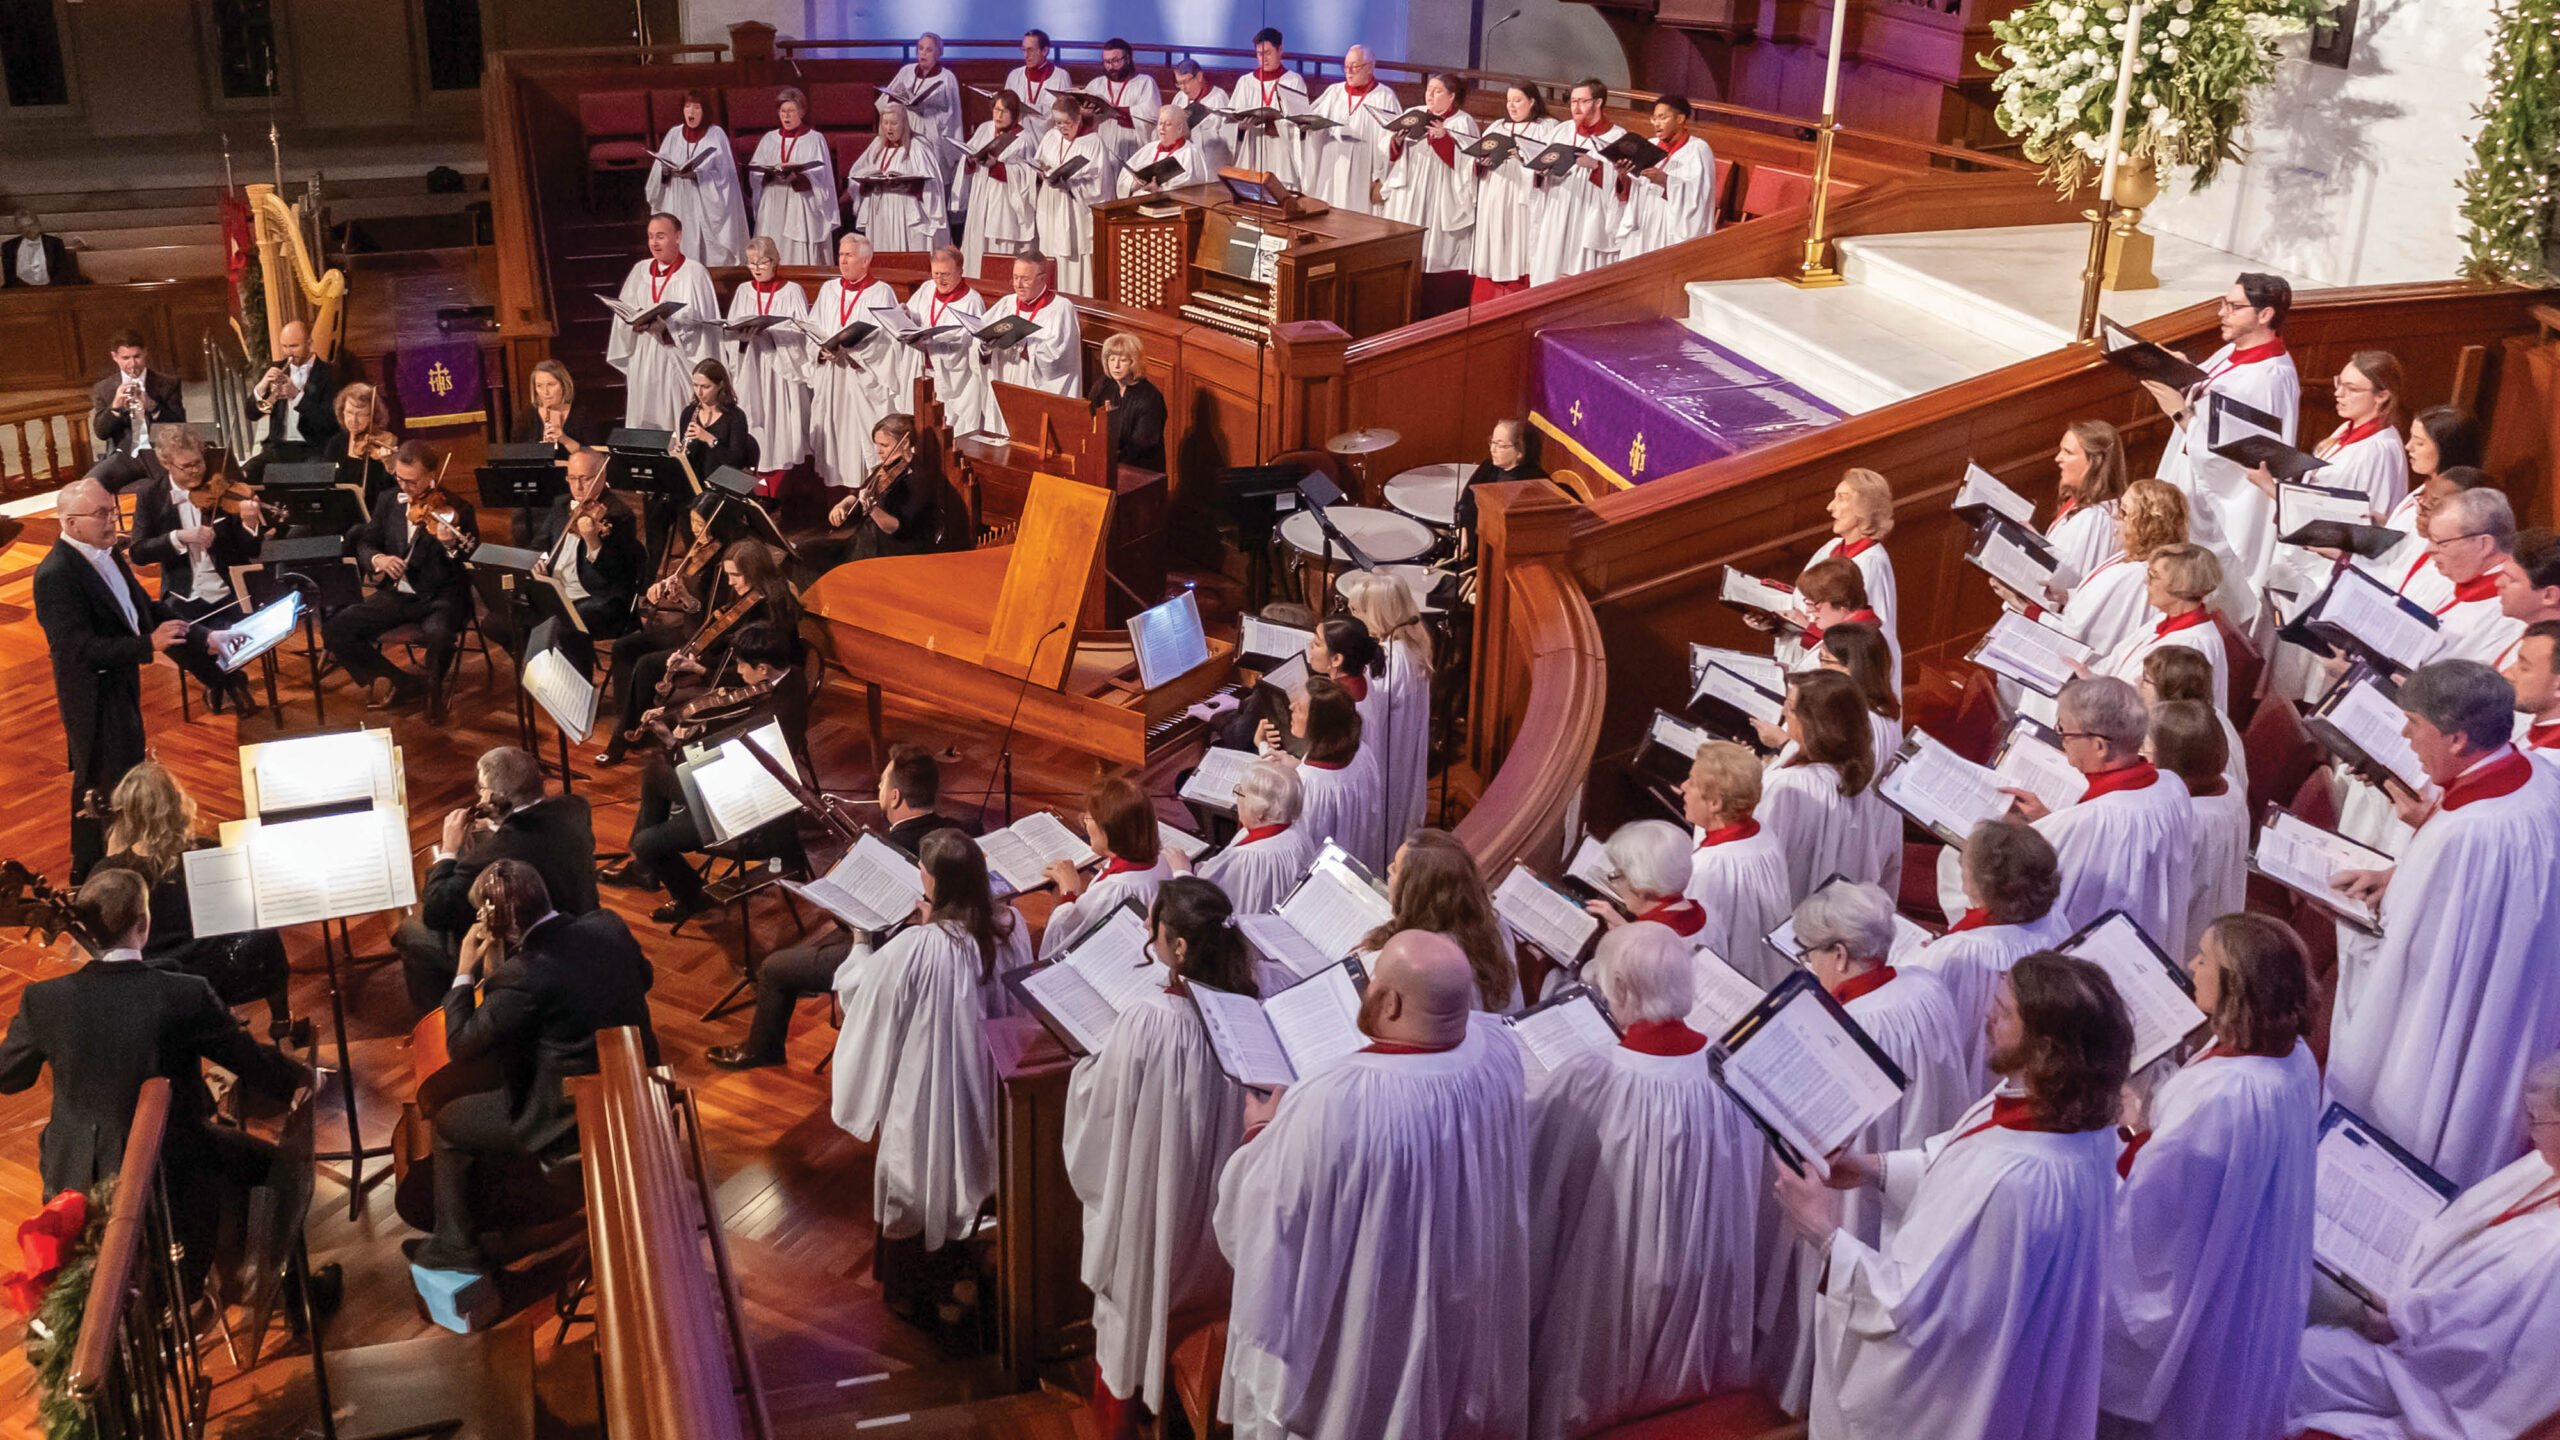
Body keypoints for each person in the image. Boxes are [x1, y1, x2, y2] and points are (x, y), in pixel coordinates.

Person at [1775, 951, 2130, 1440]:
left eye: (2004, 1013)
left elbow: (1907, 1310)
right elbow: (1955, 1170)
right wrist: (1869, 1170)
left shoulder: (2014, 1174)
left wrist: (1822, 1230)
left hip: (1966, 1386)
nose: (1986, 1016)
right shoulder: (2069, 1116)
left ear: (2045, 1049)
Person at [1213, 929, 1529, 1439]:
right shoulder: (1499, 1055)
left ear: (1392, 1002)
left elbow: (1258, 1223)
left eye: (1372, 982)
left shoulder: (1335, 1100)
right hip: (1455, 1304)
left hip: (1359, 1335)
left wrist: (1260, 1131)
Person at [0, 870, 307, 1281]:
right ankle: (285, 1291)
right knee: (281, 1167)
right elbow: (250, 1064)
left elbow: (8, 1077)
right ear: (143, 925)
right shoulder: (184, 993)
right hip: (167, 1168)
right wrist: (302, 1078)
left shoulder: (43, 1001)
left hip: (74, 1180)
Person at [2327, 660, 2560, 1185]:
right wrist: (2396, 878)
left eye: (2413, 724)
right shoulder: (2540, 776)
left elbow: (2411, 962)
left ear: (2457, 739)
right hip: (2522, 994)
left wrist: (2355, 922)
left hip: (2456, 1013)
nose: (2405, 738)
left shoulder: (2465, 834)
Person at [1525, 921, 1761, 1437]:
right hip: (1705, 1269)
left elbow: (1536, 1172)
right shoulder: (1733, 1071)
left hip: (1611, 1274)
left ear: (1625, 989)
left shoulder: (1592, 1076)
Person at [2103, 913, 2318, 1440]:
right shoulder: (2296, 1057)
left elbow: (2151, 1221)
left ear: (2237, 985)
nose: (2191, 966)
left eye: (2204, 959)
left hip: (2205, 1287)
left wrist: (2122, 1136)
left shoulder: (2223, 1095)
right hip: (2250, 1265)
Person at [1768, 878, 1975, 1410]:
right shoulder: (1924, 987)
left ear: (1840, 953)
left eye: (1810, 953)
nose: (1807, 964)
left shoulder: (1847, 1025)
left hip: (1862, 1179)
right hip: (1919, 1161)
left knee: (1847, 1292)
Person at [1063, 878, 1253, 1439]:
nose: (1150, 934)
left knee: (1137, 1291)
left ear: (1178, 949)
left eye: (1157, 930)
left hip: (1156, 1200)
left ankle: (1128, 1414)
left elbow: (1101, 1110)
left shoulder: (1150, 1020)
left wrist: (1087, 1068)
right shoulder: (1244, 1009)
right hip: (1215, 1216)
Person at [2288, 1050, 2560, 1440]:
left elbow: (2487, 1348)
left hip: (2440, 1388)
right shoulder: (2544, 1168)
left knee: (2298, 1360)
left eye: (2537, 1119)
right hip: (2420, 1345)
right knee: (2304, 1351)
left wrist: (2402, 1316)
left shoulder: (2553, 1249)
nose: (2529, 1132)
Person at [409, 860, 656, 1276]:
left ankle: (456, 1247)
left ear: (499, 926)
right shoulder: (608, 924)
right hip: (636, 1085)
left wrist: (464, 972)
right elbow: (643, 977)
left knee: (449, 1122)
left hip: (574, 1117)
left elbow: (461, 1045)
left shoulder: (524, 976)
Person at [829, 830, 1028, 1312]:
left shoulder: (916, 948)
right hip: (991, 1081)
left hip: (929, 1086)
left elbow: (858, 995)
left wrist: (860, 941)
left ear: (936, 885)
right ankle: (975, 1268)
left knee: (921, 1165)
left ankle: (923, 1293)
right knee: (978, 1169)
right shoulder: (1009, 925)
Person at [706, 744, 980, 1069]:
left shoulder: (891, 847)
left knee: (774, 968)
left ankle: (762, 1050)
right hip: (939, 953)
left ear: (894, 797)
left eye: (881, 784)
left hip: (885, 959)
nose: (877, 789)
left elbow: (848, 920)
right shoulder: (957, 832)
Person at [36, 478, 238, 879]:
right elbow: (79, 650)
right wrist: (148, 645)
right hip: (93, 696)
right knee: (99, 786)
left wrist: (204, 636)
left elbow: (143, 608)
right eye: (101, 515)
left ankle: (124, 863)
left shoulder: (106, 553)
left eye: (113, 511)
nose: (113, 521)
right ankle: (91, 875)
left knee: (121, 777)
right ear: (71, 523)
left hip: (120, 683)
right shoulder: (55, 574)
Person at [616, 622, 810, 925]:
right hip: (741, 777)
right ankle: (649, 868)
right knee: (655, 771)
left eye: (742, 666)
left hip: (742, 802)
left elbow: (713, 759)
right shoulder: (792, 676)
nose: (737, 673)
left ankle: (690, 895)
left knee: (646, 841)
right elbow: (732, 697)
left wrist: (674, 740)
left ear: (762, 669)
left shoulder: (765, 720)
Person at [397, 744, 600, 1014]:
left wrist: (448, 849)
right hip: (583, 933)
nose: (477, 794)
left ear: (494, 797)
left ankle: (443, 1021)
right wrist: (499, 825)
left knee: (411, 932)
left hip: (535, 958)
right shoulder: (576, 808)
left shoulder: (495, 853)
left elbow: (436, 911)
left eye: (480, 789)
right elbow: (535, 840)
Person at [96, 761, 290, 1036]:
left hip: (152, 973)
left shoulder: (109, 872)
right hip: (211, 970)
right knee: (264, 930)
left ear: (125, 813)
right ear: (177, 805)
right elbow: (238, 915)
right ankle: (281, 1019)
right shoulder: (207, 853)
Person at [2005, 676, 2197, 949]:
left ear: (2099, 746)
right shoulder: (2172, 785)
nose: (2062, 741)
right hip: (2158, 936)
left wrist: (2032, 830)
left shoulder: (2093, 821)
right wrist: (2051, 821)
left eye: (2064, 731)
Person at [2148, 272, 2298, 588]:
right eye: (2222, 303)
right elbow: (2213, 401)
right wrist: (2182, 373)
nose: (2221, 313)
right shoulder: (2235, 350)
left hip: (2218, 504)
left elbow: (2237, 456)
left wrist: (2179, 411)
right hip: (2189, 476)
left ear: (2265, 314)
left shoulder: (2268, 377)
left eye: (2233, 306)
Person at [597, 536, 793, 767]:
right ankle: (630, 723)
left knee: (647, 665)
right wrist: (686, 600)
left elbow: (751, 667)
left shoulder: (768, 612)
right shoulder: (742, 590)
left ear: (754, 571)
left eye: (735, 575)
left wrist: (699, 668)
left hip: (723, 666)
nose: (730, 582)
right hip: (706, 646)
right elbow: (706, 627)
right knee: (625, 647)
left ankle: (626, 737)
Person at [1905, 818, 2070, 1091]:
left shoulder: (1957, 952)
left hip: (1968, 1080)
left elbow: (1917, 1023)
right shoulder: (2055, 923)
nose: (1960, 870)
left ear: (1984, 886)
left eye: (1965, 867)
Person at [325, 439, 479, 718]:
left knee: (440, 635)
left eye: (413, 481)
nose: (405, 488)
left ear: (431, 476)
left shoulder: (459, 509)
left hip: (441, 597)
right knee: (337, 628)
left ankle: (434, 690)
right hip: (397, 594)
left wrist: (449, 546)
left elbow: (468, 562)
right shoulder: (388, 500)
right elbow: (366, 542)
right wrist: (378, 559)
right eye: (400, 478)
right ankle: (403, 681)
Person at [125, 426, 269, 714]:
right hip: (182, 593)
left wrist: (251, 524)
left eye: (199, 462)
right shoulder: (151, 495)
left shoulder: (223, 487)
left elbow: (250, 550)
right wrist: (179, 537)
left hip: (230, 589)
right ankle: (229, 682)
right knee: (172, 637)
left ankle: (220, 683)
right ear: (167, 463)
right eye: (186, 466)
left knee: (248, 631)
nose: (195, 472)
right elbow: (138, 552)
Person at [1756, 669, 1897, 904]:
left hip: (1791, 908)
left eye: (1790, 707)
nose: (1783, 712)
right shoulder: (1848, 769)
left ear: (1814, 722)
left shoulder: (1791, 785)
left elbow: (1758, 861)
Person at [2036, 478, 2191, 672]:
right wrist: (2067, 596)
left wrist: (2030, 612)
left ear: (2146, 524)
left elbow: (2079, 635)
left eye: (2125, 512)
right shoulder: (2133, 558)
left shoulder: (2139, 576)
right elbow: (2103, 606)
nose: (2116, 518)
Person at [1363, 828, 1519, 1012]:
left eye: (1395, 869)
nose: (1389, 873)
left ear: (1414, 892)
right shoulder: (1494, 925)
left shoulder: (1422, 959)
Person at [802, 234, 912, 494]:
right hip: (832, 379)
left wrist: (853, 354)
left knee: (859, 440)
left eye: (849, 255)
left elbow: (887, 341)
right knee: (835, 440)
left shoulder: (881, 291)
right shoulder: (829, 290)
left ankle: (864, 498)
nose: (842, 260)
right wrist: (821, 351)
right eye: (840, 254)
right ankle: (836, 498)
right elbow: (812, 328)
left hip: (861, 380)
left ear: (865, 260)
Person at [1679, 739, 1794, 984]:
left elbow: (1697, 951)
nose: (1682, 787)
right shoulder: (1765, 835)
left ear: (1715, 803)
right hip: (1773, 976)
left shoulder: (1707, 869)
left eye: (1691, 782)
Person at [1340, 568, 1435, 846]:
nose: (1353, 618)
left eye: (1357, 611)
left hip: (1384, 758)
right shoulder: (1413, 647)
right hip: (1402, 754)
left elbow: (1368, 716)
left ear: (1377, 613)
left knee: (1381, 829)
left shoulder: (1387, 662)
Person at [1770, 466, 1900, 666]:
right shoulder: (1831, 548)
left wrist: (1809, 629)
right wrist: (1773, 621)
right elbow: (1802, 600)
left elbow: (1867, 636)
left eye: (1842, 498)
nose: (1830, 507)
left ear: (1865, 507)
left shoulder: (1871, 563)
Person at [1256, 674, 1386, 872]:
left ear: (1316, 724)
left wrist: (1262, 745)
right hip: (1360, 855)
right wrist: (1297, 765)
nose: (1290, 708)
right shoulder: (1361, 751)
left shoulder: (1309, 785)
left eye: (1299, 708)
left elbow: (1301, 843)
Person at [1374, 73, 1480, 316]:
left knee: (1437, 250)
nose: (1430, 95)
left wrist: (1444, 139)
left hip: (1440, 192)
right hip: (1410, 189)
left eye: (1438, 91)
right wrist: (1396, 139)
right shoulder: (1414, 112)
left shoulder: (1463, 123)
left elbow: (1468, 164)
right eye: (1429, 90)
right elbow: (1385, 147)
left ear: (1452, 96)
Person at [606, 214, 719, 433]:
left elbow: (704, 326)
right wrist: (633, 324)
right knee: (644, 422)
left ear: (677, 237)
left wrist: (668, 330)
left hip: (676, 360)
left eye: (660, 236)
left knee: (676, 421)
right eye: (650, 237)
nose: (654, 243)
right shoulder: (640, 270)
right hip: (644, 356)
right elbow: (624, 315)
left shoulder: (695, 273)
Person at [1039, 775, 1173, 959]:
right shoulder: (1159, 858)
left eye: (1089, 818)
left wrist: (1068, 892)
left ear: (1109, 829)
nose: (1085, 823)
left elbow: (1069, 940)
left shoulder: (1117, 888)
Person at [2152, 699, 2246, 961]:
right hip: (2221, 914)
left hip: (2186, 943)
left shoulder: (2184, 820)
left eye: (2149, 747)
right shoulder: (2229, 786)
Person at [2091, 542, 2228, 712]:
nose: (2145, 581)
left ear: (2180, 585)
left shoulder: (2193, 645)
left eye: (2153, 575)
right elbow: (2116, 663)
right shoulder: (2163, 619)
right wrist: (2085, 678)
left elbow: (2164, 714)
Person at [528, 446, 644, 645]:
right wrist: (538, 562)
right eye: (572, 478)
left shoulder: (619, 515)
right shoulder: (561, 505)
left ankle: (574, 672)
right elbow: (538, 545)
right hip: (555, 590)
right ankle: (538, 671)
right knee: (502, 621)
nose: (578, 487)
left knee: (564, 625)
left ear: (602, 476)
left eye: (585, 478)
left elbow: (615, 574)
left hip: (598, 597)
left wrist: (593, 541)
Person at [723, 236, 813, 479]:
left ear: (775, 262)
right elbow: (730, 333)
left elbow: (802, 334)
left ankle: (784, 485)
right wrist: (742, 337)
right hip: (751, 365)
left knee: (781, 425)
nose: (756, 269)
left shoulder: (792, 291)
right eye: (751, 263)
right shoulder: (743, 291)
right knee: (754, 420)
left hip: (781, 370)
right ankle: (756, 479)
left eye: (762, 262)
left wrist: (773, 336)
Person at [1179, 758, 1316, 916]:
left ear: (1259, 810)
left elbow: (1205, 897)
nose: (1237, 800)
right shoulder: (1298, 832)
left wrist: (1182, 872)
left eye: (1240, 794)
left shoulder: (1246, 857)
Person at [1527, 78, 1627, 286]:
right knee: (1550, 269)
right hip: (1557, 209)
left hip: (1591, 213)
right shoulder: (1561, 131)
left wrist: (1596, 167)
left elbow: (1625, 184)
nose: (1576, 107)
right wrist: (1538, 171)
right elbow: (1541, 167)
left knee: (1581, 275)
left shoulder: (1617, 136)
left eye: (1582, 101)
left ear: (1598, 103)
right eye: (1572, 101)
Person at [1469, 82, 1559, 302]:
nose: (1511, 106)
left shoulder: (1547, 127)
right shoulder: (1497, 127)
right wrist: (1480, 162)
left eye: (1518, 100)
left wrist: (1524, 158)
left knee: (1519, 238)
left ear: (1532, 101)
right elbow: (1473, 161)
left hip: (1523, 194)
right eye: (1508, 101)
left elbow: (1549, 163)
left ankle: (1517, 288)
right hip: (1495, 191)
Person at [643, 88, 748, 267]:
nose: (691, 112)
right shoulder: (674, 134)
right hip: (678, 199)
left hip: (706, 203)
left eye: (697, 107)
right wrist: (665, 172)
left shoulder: (716, 134)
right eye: (687, 106)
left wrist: (699, 175)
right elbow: (657, 171)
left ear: (705, 111)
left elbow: (726, 176)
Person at [823, 413, 942, 564]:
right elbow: (860, 492)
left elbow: (896, 527)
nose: (879, 451)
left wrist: (872, 510)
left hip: (898, 548)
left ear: (904, 444)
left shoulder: (919, 478)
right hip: (873, 538)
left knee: (828, 559)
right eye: (877, 445)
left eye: (884, 445)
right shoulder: (885, 468)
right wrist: (842, 506)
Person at [906, 245, 997, 438]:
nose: (940, 279)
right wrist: (906, 315)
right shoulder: (927, 288)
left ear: (960, 272)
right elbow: (915, 314)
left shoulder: (971, 301)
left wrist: (933, 342)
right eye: (936, 273)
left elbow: (974, 346)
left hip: (958, 383)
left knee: (952, 438)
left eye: (946, 274)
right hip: (925, 373)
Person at [1615, 93, 1717, 260]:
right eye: (1654, 118)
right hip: (1643, 220)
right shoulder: (1650, 145)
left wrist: (1667, 182)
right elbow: (1634, 188)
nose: (1656, 124)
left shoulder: (1698, 149)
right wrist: (1623, 175)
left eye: (1662, 118)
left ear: (1680, 119)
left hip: (1671, 226)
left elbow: (1699, 196)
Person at [1031, 94, 1114, 296]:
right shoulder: (1051, 136)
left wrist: (1070, 185)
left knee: (1074, 261)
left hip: (1075, 211)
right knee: (1050, 252)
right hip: (1051, 207)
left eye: (1067, 123)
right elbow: (1038, 162)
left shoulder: (1093, 143)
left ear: (1078, 119)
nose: (1062, 128)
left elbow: (1100, 185)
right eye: (1058, 123)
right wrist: (1042, 173)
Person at [745, 87, 837, 267]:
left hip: (800, 202)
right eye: (782, 111)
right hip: (773, 201)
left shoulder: (815, 139)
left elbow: (822, 177)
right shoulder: (768, 139)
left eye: (791, 111)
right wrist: (767, 175)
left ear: (802, 111)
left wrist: (800, 177)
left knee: (795, 253)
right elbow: (755, 173)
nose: (786, 116)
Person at [1302, 47, 1399, 215]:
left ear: (1370, 67)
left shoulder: (1384, 96)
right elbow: (1313, 124)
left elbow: (1392, 139)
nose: (1349, 71)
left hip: (1363, 170)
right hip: (1331, 165)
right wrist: (1308, 128)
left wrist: (1382, 179)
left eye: (1355, 66)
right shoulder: (1334, 92)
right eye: (1346, 66)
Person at [1781, 557, 1901, 692]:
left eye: (1813, 604)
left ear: (1842, 606)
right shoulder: (1852, 630)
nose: (1809, 610)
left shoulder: (1860, 644)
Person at [1585, 819, 1708, 944]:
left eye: (1618, 875)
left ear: (1642, 887)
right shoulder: (1700, 914)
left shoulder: (1650, 939)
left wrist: (1629, 939)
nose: (1616, 884)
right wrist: (1626, 929)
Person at [88, 330, 185, 489]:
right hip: (125, 455)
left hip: (160, 454)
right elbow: (101, 433)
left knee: (175, 485)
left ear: (145, 353)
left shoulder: (168, 383)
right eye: (126, 358)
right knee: (89, 485)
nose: (133, 364)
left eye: (137, 356)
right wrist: (115, 406)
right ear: (115, 357)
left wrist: (152, 406)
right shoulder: (104, 388)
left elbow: (180, 425)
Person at [847, 103, 949, 252]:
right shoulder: (877, 146)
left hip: (906, 211)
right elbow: (856, 173)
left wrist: (910, 185)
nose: (889, 128)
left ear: (904, 123)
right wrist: (867, 182)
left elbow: (932, 184)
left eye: (894, 123)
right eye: (885, 123)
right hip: (880, 211)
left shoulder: (917, 147)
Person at [957, 91, 1038, 280]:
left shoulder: (1024, 138)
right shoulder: (985, 129)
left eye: (1003, 111)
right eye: (995, 109)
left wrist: (997, 166)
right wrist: (970, 160)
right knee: (977, 247)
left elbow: (1026, 174)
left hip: (1004, 203)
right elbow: (968, 159)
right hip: (981, 197)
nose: (998, 116)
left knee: (999, 250)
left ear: (1015, 114)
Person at [979, 253, 1083, 398]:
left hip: (1033, 387)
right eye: (1015, 277)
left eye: (1025, 279)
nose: (1018, 285)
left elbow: (1060, 360)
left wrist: (1024, 347)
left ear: (1042, 279)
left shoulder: (1061, 308)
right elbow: (980, 337)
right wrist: (985, 347)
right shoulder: (1006, 303)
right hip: (1005, 379)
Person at [2042, 419, 2130, 584]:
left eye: (2068, 452)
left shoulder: (2097, 518)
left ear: (2094, 462)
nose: (2057, 458)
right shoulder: (2083, 508)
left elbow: (2071, 583)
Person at [243, 319, 336, 474]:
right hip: (278, 448)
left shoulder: (329, 373)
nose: (288, 353)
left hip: (313, 448)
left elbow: (329, 422)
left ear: (310, 344)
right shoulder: (276, 368)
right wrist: (262, 385)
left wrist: (297, 396)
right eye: (284, 346)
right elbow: (252, 414)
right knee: (242, 475)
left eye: (294, 346)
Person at [1225, 28, 1309, 184]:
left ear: (1280, 50)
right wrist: (1241, 128)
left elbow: (1302, 122)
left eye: (1268, 53)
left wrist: (1277, 125)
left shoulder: (1293, 81)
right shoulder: (1246, 82)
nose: (1263, 59)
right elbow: (1230, 123)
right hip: (1252, 150)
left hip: (1282, 154)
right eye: (1259, 54)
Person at [1454, 415, 1546, 552]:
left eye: (1500, 445)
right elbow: (1463, 504)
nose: (1492, 449)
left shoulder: (1534, 484)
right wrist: (1463, 535)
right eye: (1492, 442)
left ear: (1520, 451)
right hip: (1472, 553)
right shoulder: (1488, 466)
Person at [884, 33, 964, 174]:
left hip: (932, 131)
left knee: (930, 174)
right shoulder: (906, 71)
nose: (923, 53)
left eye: (929, 50)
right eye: (920, 48)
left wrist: (928, 110)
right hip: (906, 127)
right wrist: (895, 97)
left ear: (938, 54)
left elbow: (954, 114)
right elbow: (886, 102)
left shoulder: (947, 78)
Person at [325, 380, 401, 514]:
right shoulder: (336, 443)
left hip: (373, 514)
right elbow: (326, 484)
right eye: (349, 413)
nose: (353, 420)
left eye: (361, 415)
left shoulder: (385, 442)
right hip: (340, 511)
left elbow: (392, 491)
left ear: (373, 416)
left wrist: (390, 466)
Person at [1092, 332, 1165, 471]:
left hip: (1140, 470)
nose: (1116, 366)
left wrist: (1110, 459)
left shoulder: (1149, 397)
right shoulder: (1103, 386)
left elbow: (1142, 446)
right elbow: (1090, 419)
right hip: (1108, 462)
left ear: (1134, 362)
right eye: (1112, 359)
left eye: (1123, 360)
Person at [1082, 38, 1160, 166]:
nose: (1110, 67)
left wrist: (1119, 111)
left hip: (1131, 148)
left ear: (1128, 59)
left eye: (1115, 61)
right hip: (1102, 148)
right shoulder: (1096, 84)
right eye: (1106, 62)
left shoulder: (1144, 83)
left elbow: (1151, 115)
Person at [1121, 101, 1214, 200]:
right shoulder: (1149, 148)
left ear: (1179, 128)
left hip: (1170, 210)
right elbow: (1123, 177)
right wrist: (1134, 184)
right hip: (1137, 205)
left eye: (1168, 124)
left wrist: (1160, 190)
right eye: (1160, 123)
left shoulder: (1190, 153)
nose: (1162, 128)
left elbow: (1194, 189)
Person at [1003, 28, 1074, 135]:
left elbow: (1065, 114)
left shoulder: (1061, 76)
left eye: (1030, 50)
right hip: (1018, 139)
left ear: (1044, 51)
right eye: (1023, 50)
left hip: (1048, 138)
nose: (1026, 55)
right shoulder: (1015, 76)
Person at [1166, 58, 1233, 171]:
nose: (1183, 88)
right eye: (1179, 83)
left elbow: (1227, 134)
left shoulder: (1218, 97)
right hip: (1184, 159)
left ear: (1199, 76)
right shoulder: (1180, 97)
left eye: (1185, 82)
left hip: (1211, 162)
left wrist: (1195, 134)